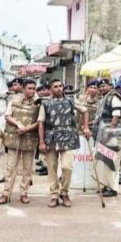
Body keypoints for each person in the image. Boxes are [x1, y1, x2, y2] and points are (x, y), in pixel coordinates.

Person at [38, 79, 91, 208]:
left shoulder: (71, 100)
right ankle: (54, 195)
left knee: (67, 167)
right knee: (52, 168)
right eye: (55, 86)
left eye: (60, 86)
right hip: (51, 139)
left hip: (68, 138)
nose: (58, 88)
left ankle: (64, 192)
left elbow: (84, 111)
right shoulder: (45, 103)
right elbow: (41, 122)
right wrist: (41, 142)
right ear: (51, 89)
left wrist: (86, 127)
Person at [0, 79, 40, 204]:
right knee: (11, 168)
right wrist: (18, 124)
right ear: (23, 89)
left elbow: (39, 122)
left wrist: (26, 128)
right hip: (14, 139)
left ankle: (24, 193)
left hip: (30, 139)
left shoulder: (38, 104)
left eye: (34, 89)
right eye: (29, 88)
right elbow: (7, 116)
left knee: (27, 169)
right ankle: (6, 193)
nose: (32, 91)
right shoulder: (14, 101)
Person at [94, 79, 121, 197]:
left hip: (112, 134)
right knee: (104, 161)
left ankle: (112, 188)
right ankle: (105, 185)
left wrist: (109, 133)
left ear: (110, 86)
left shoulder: (114, 97)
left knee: (111, 162)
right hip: (103, 134)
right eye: (99, 87)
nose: (101, 88)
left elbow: (115, 117)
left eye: (103, 86)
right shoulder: (104, 98)